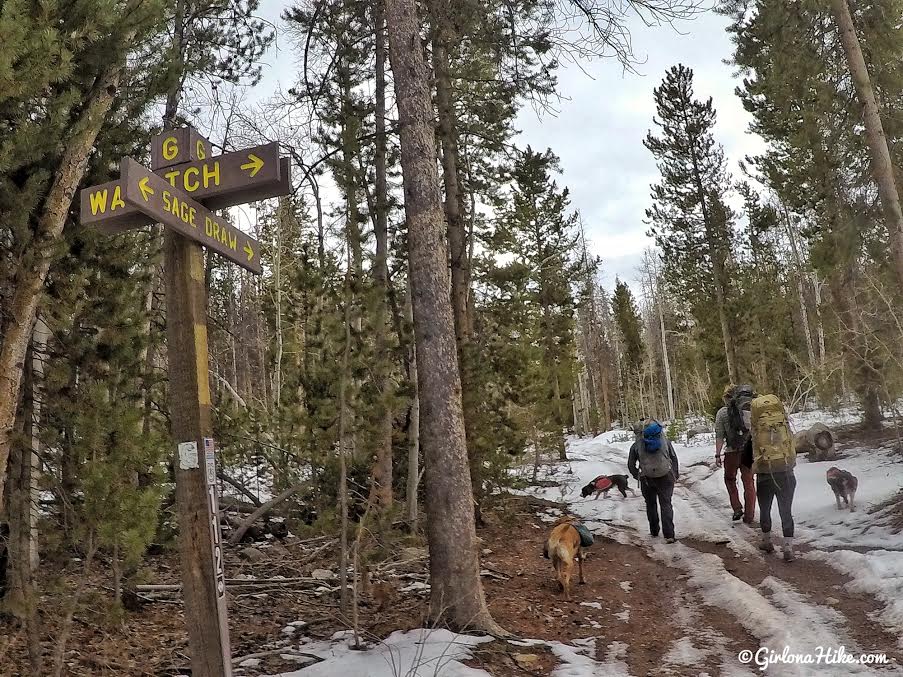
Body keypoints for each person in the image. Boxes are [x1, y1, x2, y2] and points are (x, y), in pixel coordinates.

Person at [749, 394, 797, 562]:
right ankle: (788, 548)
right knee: (786, 510)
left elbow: (750, 452)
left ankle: (767, 541)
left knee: (765, 509)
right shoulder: (784, 424)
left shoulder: (756, 429)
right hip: (786, 472)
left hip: (765, 475)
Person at [628, 419, 680, 543]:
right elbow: (673, 457)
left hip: (646, 478)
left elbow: (631, 464)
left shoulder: (636, 445)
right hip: (665, 476)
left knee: (651, 504)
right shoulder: (664, 441)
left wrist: (638, 475)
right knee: (666, 504)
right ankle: (669, 535)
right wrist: (675, 474)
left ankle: (654, 530)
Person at [715, 384, 756, 524]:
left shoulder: (722, 413)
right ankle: (750, 515)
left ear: (726, 397)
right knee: (749, 482)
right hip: (748, 451)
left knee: (730, 480)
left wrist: (717, 454)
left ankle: (737, 508)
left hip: (731, 452)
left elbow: (719, 436)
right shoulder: (749, 409)